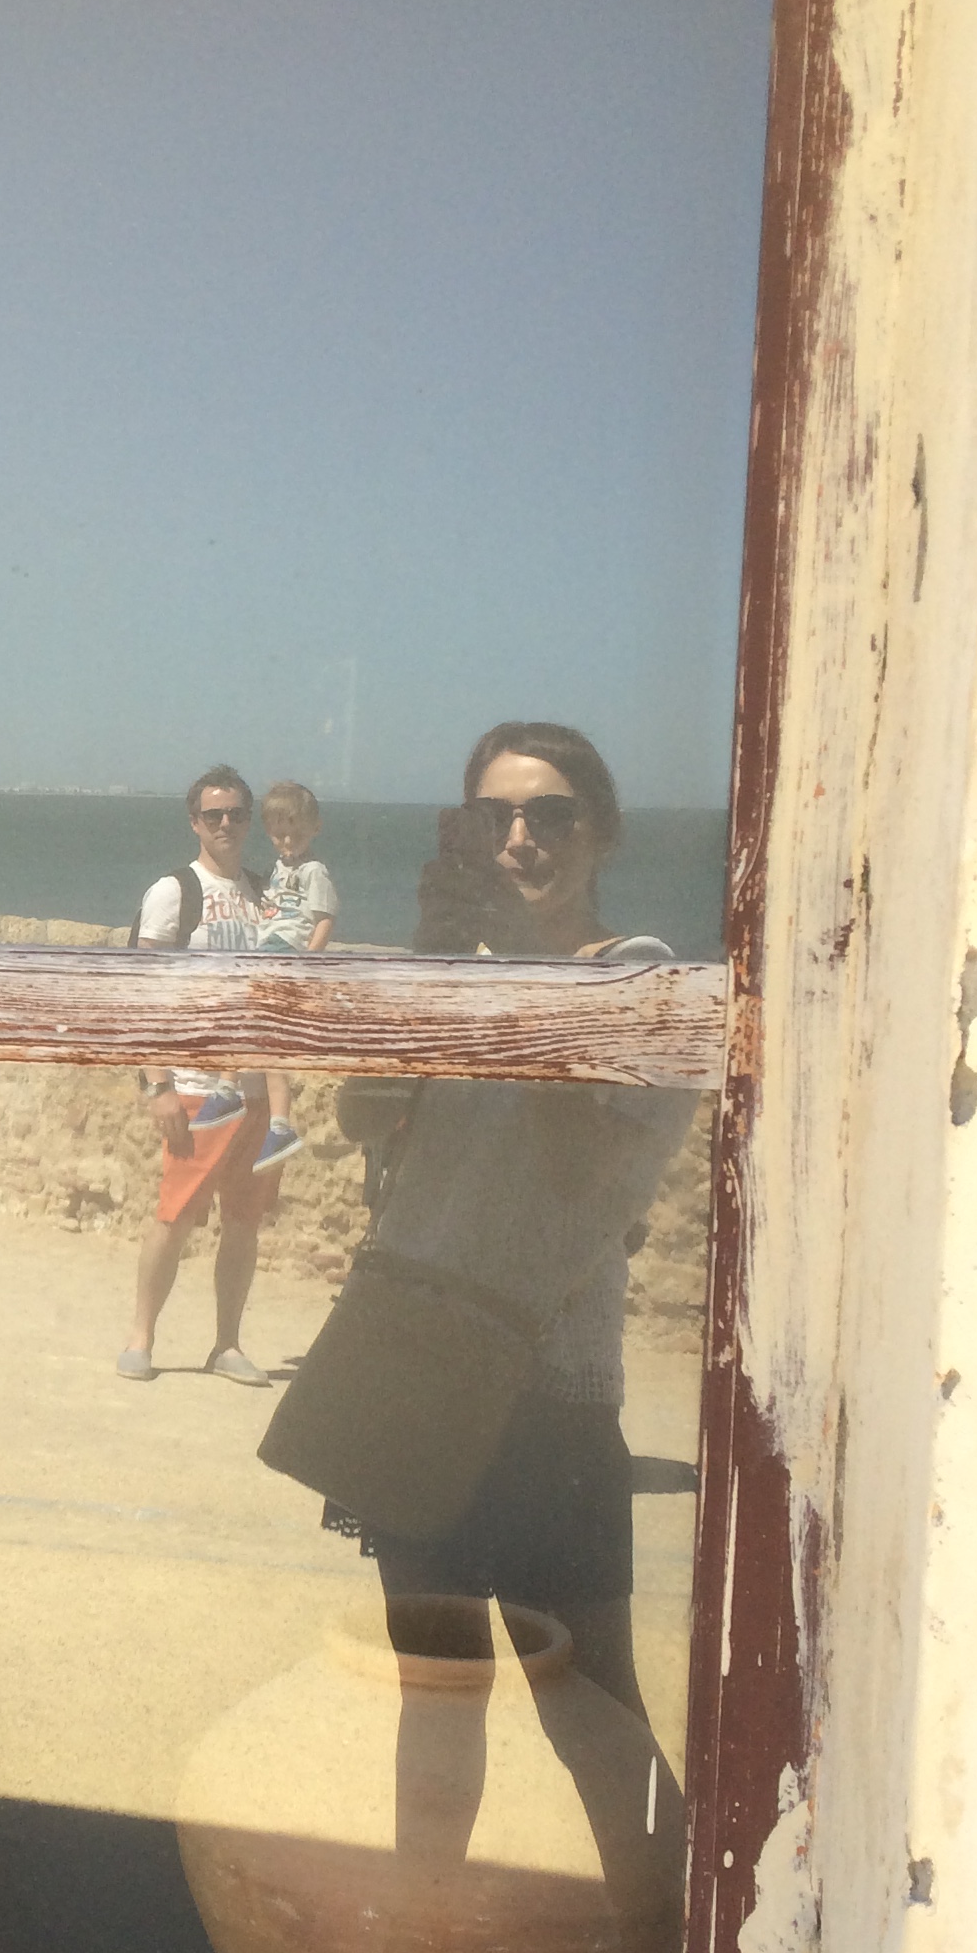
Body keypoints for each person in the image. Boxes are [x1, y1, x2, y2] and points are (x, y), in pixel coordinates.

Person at [258, 721, 692, 1713]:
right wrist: (435, 965)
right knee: (435, 1704)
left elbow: (580, 1173)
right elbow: (363, 1115)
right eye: (494, 819)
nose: (520, 840)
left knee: (594, 1710)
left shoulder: (643, 979)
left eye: (551, 816)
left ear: (603, 831)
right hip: (413, 1370)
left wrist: (506, 978)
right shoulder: (465, 971)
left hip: (552, 1392)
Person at [117, 764, 286, 1387]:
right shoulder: (174, 892)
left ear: (250, 820)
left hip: (254, 1089)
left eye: (236, 813)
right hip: (194, 1087)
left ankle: (227, 1344)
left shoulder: (265, 892)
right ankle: (140, 1337)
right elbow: (141, 993)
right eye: (213, 814)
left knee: (243, 1222)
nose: (225, 824)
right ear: (194, 822)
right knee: (176, 1216)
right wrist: (155, 1084)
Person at [253, 777, 338, 1170]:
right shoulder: (279, 869)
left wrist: (308, 962)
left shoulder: (314, 871)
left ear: (314, 828)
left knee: (259, 1034)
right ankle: (275, 1123)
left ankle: (275, 1121)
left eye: (295, 834)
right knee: (263, 1040)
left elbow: (324, 919)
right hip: (267, 951)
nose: (287, 842)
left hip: (287, 955)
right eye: (279, 835)